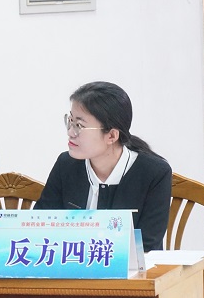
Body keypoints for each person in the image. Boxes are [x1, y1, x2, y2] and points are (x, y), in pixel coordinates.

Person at [34, 81, 172, 252]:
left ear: (112, 136)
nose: (70, 132)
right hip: (71, 265)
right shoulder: (66, 164)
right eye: (70, 121)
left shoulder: (154, 173)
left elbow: (147, 245)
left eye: (79, 126)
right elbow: (41, 226)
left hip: (129, 268)